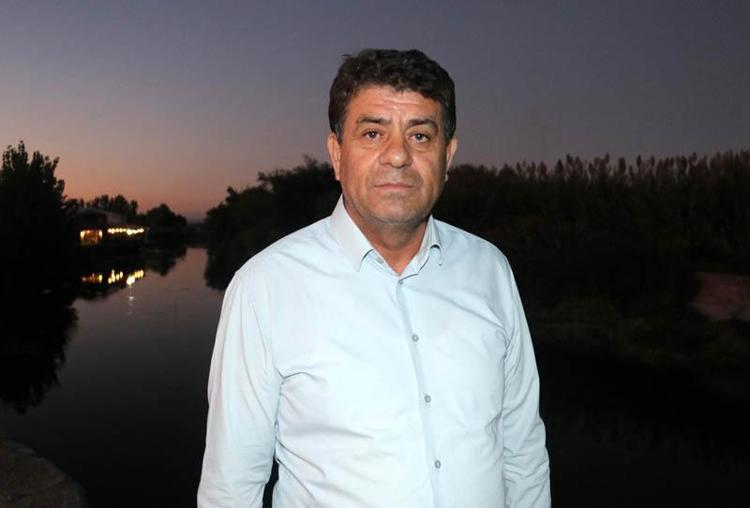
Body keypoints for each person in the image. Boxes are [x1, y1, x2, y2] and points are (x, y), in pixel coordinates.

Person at [198, 48, 550, 507]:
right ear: (336, 154)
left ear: (448, 155)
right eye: (372, 133)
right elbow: (231, 486)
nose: (398, 155)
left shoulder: (490, 269)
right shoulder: (264, 287)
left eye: (420, 135)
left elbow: (522, 450)